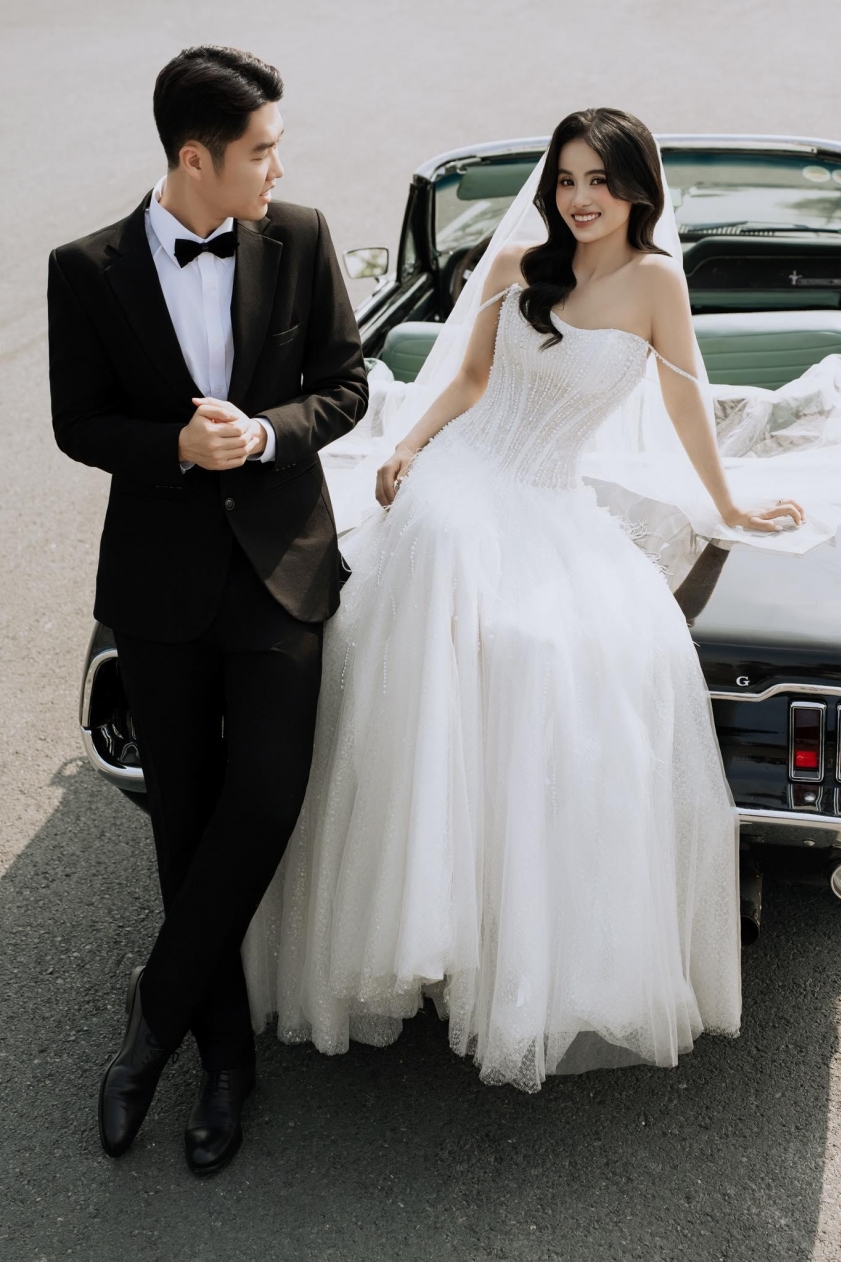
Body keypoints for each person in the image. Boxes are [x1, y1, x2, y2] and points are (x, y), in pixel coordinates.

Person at [243, 108, 804, 1092]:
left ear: (637, 188)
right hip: (465, 478)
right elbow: (469, 377)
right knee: (450, 561)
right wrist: (409, 443)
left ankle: (500, 925)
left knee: (554, 653)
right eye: (566, 180)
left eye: (599, 181)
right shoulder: (515, 265)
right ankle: (412, 917)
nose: (580, 199)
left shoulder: (657, 284)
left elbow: (685, 402)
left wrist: (728, 505)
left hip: (551, 499)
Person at [48, 45, 368, 1171]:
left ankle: (149, 1028)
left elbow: (346, 383)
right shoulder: (85, 268)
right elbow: (79, 423)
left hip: (282, 565)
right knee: (182, 821)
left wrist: (267, 432)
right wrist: (176, 447)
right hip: (159, 583)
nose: (279, 167)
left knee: (264, 797)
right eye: (262, 149)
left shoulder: (303, 236)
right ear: (197, 158)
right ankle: (225, 1066)